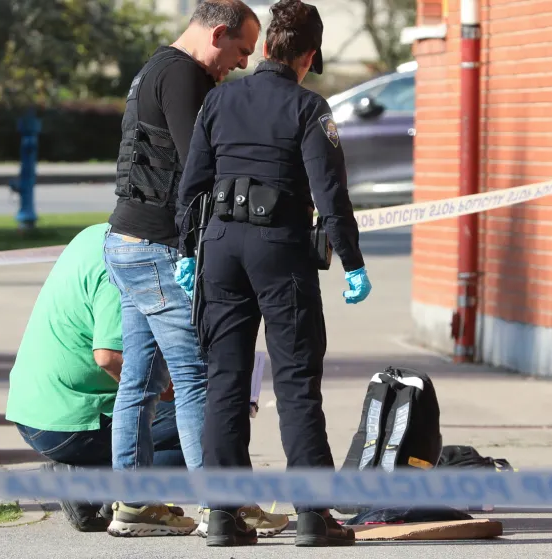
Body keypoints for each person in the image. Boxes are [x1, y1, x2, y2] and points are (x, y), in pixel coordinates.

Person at [174, 0, 372, 548]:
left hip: (220, 249)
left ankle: (223, 516)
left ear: (265, 48)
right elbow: (331, 194)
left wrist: (189, 254)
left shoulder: (220, 98)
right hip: (279, 249)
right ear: (307, 56)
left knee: (226, 383)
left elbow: (192, 185)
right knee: (296, 384)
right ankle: (312, 515)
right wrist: (352, 262)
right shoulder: (310, 109)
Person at [101, 0, 289, 539]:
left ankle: (133, 505)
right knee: (196, 378)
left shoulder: (154, 68)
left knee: (138, 382)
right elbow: (201, 165)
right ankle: (222, 505)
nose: (241, 64)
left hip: (125, 241)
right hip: (157, 250)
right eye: (241, 51)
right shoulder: (185, 77)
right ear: (220, 32)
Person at [5, 222, 186, 534]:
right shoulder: (129, 258)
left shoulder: (96, 234)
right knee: (200, 422)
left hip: (37, 408)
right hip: (70, 419)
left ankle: (93, 489)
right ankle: (95, 489)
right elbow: (109, 356)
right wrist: (171, 389)